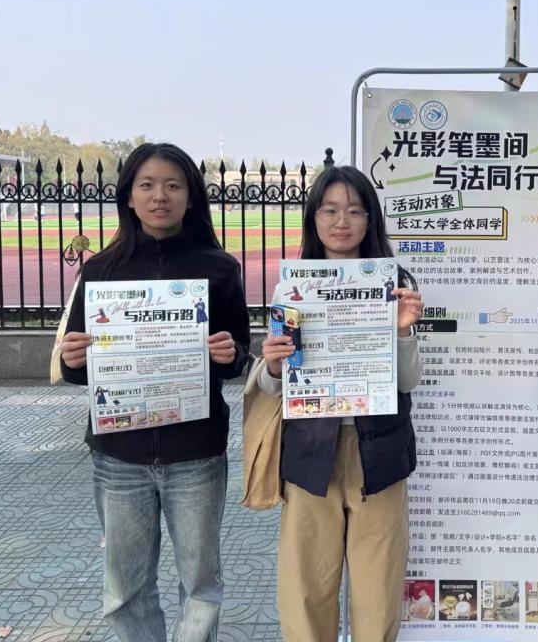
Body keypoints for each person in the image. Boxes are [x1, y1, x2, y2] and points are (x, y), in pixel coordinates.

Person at [59, 142, 250, 642]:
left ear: (190, 196)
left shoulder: (219, 268)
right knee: (125, 590)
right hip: (119, 455)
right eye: (146, 185)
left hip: (196, 453)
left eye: (172, 185)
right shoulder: (99, 271)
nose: (159, 196)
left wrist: (230, 353)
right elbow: (79, 370)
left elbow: (239, 357)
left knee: (201, 585)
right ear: (129, 195)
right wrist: (72, 360)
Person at [258, 165, 423, 641]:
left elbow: (408, 380)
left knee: (377, 593)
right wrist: (272, 365)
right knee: (305, 591)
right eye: (329, 210)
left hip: (380, 454)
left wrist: (402, 331)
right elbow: (273, 385)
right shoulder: (293, 288)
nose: (342, 221)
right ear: (313, 218)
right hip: (310, 453)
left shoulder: (395, 283)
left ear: (371, 219)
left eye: (354, 210)